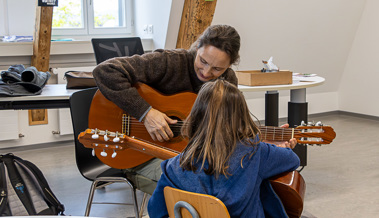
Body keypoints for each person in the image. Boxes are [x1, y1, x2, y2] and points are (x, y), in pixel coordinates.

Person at [93, 24, 241, 194]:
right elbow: (105, 71)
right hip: (139, 152)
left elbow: (231, 125)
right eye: (203, 61)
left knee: (232, 180)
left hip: (189, 156)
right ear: (197, 47)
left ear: (229, 66)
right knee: (193, 188)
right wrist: (145, 113)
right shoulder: (170, 61)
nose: (206, 73)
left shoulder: (227, 81)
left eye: (217, 68)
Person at [147, 80, 300, 217]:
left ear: (195, 118)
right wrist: (270, 146)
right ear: (242, 118)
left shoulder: (172, 168)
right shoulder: (257, 153)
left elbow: (155, 212)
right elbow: (292, 160)